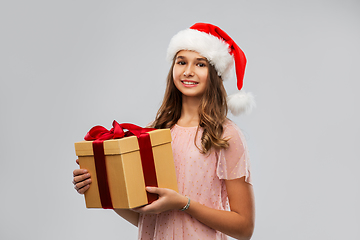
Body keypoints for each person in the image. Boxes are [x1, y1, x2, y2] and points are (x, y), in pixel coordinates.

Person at [73, 23, 256, 240]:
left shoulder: (225, 135)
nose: (188, 71)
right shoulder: (154, 132)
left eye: (200, 64)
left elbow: (244, 228)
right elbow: (148, 219)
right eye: (181, 62)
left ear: (215, 73)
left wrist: (184, 204)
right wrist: (101, 186)